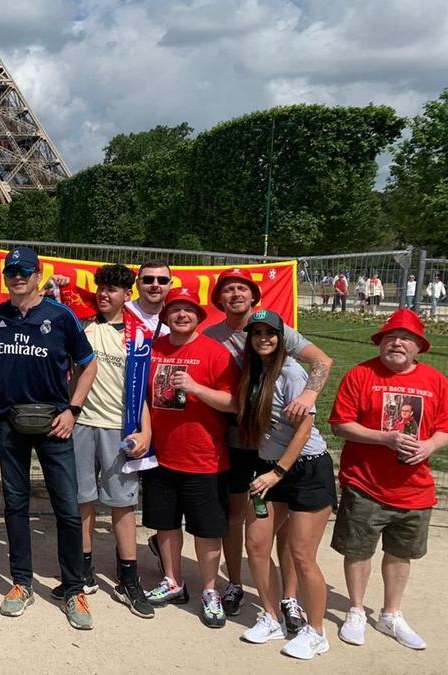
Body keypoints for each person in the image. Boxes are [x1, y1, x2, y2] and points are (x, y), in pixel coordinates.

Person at [0, 247, 98, 629]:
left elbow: (88, 365)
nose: (18, 276)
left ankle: (73, 588)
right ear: (5, 276)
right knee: (15, 504)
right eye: (12, 271)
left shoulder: (60, 317)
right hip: (10, 423)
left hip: (54, 422)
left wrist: (72, 410)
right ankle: (21, 582)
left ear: (38, 274)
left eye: (25, 271)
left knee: (67, 509)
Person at [199, 268, 333, 627]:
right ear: (219, 299)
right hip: (238, 438)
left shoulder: (276, 331)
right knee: (236, 514)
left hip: (280, 447)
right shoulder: (211, 335)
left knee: (287, 527)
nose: (235, 294)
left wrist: (308, 394)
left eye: (242, 288)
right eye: (228, 289)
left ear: (254, 295)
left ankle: (288, 597)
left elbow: (322, 361)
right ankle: (236, 585)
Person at [329, 309, 448, 651]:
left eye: (406, 338)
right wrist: (386, 438)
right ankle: (355, 609)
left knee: (400, 553)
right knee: (358, 550)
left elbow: (445, 427)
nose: (397, 343)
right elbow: (340, 424)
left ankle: (390, 613)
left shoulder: (435, 381)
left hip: (415, 487)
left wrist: (428, 446)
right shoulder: (361, 374)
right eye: (390, 337)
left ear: (418, 347)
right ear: (380, 342)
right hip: (366, 483)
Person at [235, 310, 337, 660]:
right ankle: (271, 615)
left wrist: (278, 471)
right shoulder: (252, 372)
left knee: (302, 555)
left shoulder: (292, 372)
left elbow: (305, 429)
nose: (263, 338)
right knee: (257, 544)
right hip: (268, 468)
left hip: (306, 469)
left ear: (282, 338)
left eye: (270, 333)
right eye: (256, 333)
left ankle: (317, 631)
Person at [56, 264, 156, 618]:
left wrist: (145, 430)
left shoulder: (138, 335)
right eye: (101, 287)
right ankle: (83, 572)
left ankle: (128, 576)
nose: (104, 293)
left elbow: (141, 390)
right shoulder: (81, 325)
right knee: (83, 499)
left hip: (119, 428)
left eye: (113, 289)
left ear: (128, 295)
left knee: (122, 504)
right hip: (80, 423)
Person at [141, 287, 239, 629]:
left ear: (199, 316)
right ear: (166, 317)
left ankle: (210, 590)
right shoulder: (153, 349)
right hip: (161, 456)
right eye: (175, 310)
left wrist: (196, 388)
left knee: (207, 529)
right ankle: (173, 580)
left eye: (188, 311)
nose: (181, 315)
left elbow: (234, 403)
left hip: (205, 459)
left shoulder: (216, 353)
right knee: (165, 524)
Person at [126, 259, 172, 336]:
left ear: (170, 285)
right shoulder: (122, 312)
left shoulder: (177, 319)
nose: (155, 285)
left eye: (162, 280)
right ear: (137, 284)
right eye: (148, 280)